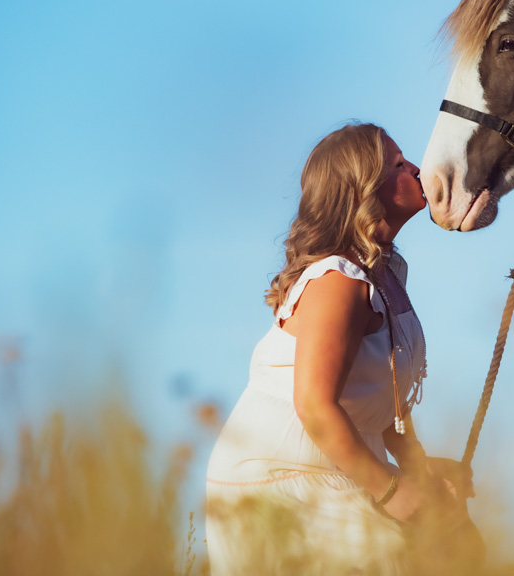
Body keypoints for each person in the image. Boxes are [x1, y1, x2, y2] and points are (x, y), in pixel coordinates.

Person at [204, 122, 478, 575]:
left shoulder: (384, 273)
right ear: (363, 189)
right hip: (284, 473)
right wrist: (393, 492)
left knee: (457, 544)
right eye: (398, 164)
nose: (416, 168)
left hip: (339, 464)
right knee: (400, 561)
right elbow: (314, 406)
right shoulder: (339, 280)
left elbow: (382, 399)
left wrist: (418, 469)